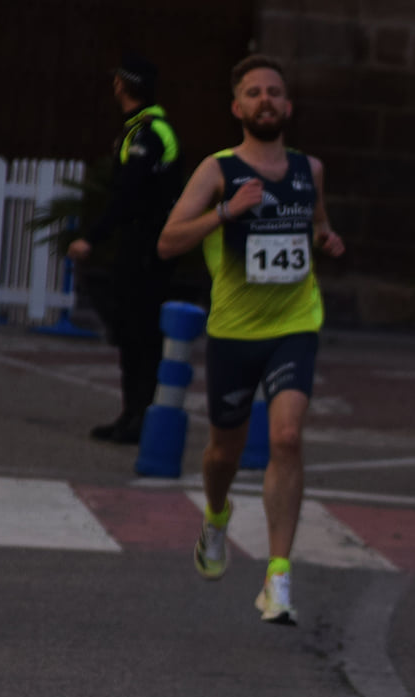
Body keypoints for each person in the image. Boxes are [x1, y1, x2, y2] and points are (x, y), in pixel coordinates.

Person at [156, 55, 345, 625]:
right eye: (254, 92)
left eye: (275, 92)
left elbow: (315, 227)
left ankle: (278, 575)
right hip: (234, 332)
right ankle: (216, 515)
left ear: (288, 107)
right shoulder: (218, 171)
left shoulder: (309, 170)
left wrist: (325, 239)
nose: (265, 100)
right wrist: (224, 212)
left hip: (295, 324)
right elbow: (168, 242)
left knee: (286, 437)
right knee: (223, 453)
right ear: (237, 108)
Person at [66, 52, 185, 443]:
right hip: (137, 245)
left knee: (141, 334)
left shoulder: (150, 132)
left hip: (149, 247)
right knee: (131, 333)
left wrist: (92, 237)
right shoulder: (137, 128)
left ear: (122, 84)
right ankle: (131, 413)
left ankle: (142, 417)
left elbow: (129, 195)